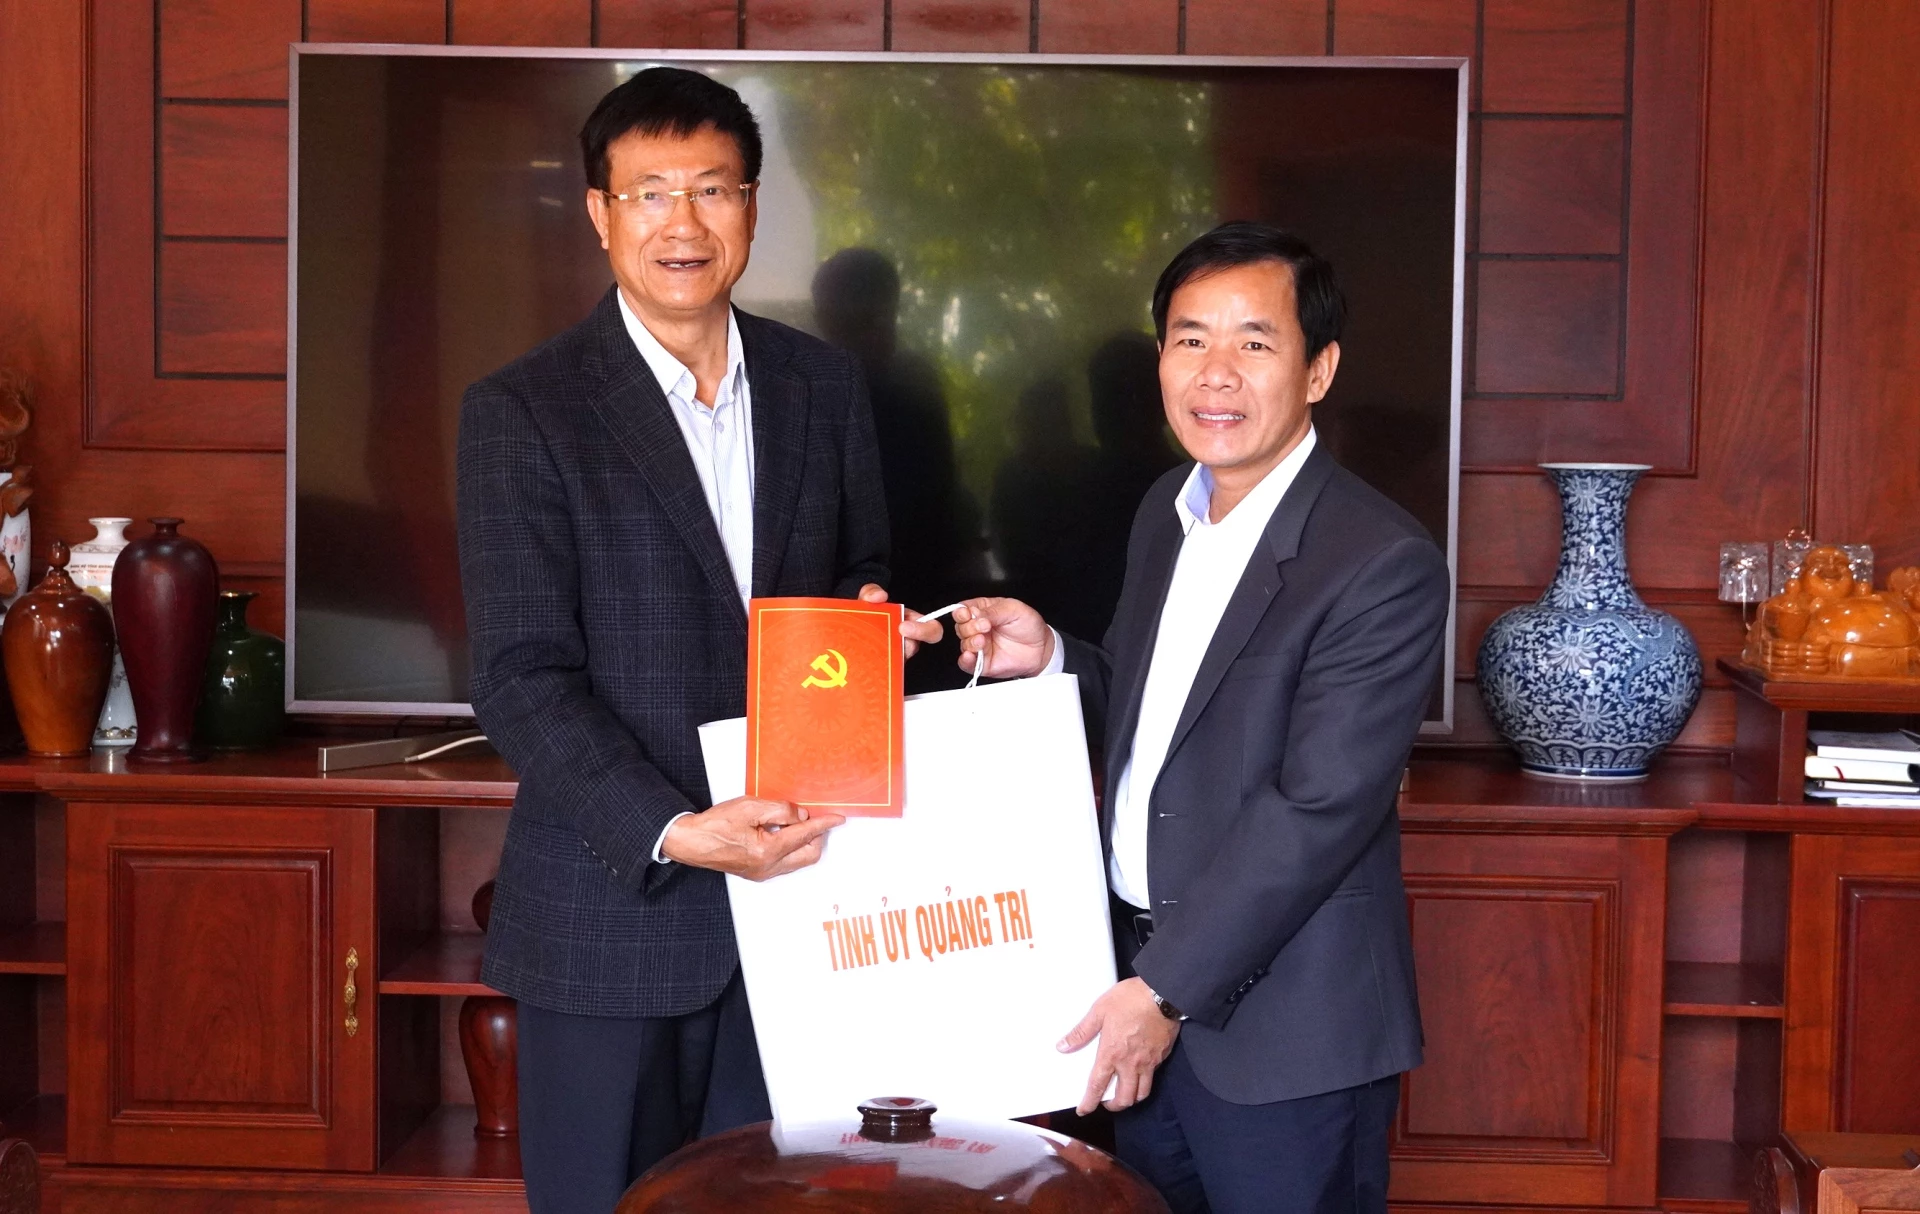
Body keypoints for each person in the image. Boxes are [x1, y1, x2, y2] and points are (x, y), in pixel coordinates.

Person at [455, 68, 937, 1214]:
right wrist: (676, 829)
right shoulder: (524, 410)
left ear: (751, 207)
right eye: (651, 191)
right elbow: (521, 676)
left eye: (713, 189)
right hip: (610, 916)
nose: (684, 221)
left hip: (804, 911)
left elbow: (854, 568)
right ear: (600, 213)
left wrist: (871, 617)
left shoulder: (822, 384)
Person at [951, 222, 1448, 1214]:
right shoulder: (1166, 512)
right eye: (1190, 340)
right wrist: (1051, 658)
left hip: (1282, 1034)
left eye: (1254, 342)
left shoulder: (1379, 562)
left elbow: (1318, 808)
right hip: (1132, 988)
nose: (1216, 373)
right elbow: (1166, 722)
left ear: (1318, 370)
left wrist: (1164, 990)